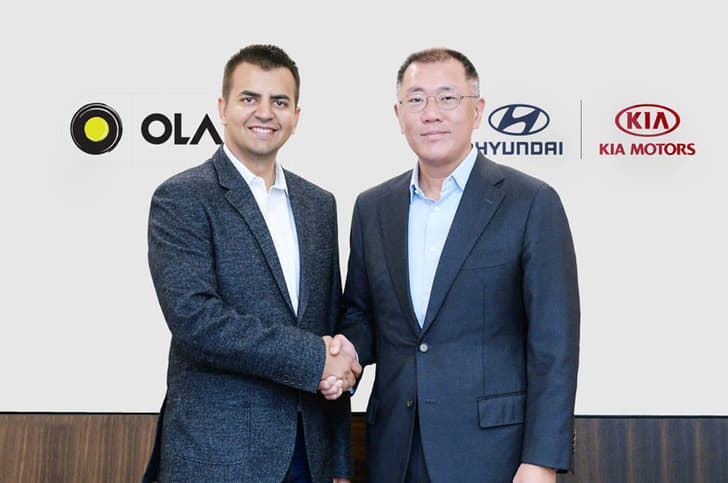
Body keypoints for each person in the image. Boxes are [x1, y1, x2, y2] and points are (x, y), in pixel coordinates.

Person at [323, 48, 580, 482]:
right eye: (416, 99)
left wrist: (542, 459)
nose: (431, 113)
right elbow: (362, 314)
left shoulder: (530, 202)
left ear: (477, 110)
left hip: (494, 453)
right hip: (396, 449)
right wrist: (345, 354)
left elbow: (554, 344)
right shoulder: (373, 208)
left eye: (447, 97)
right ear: (399, 115)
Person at [142, 44, 360, 483]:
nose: (265, 112)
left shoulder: (319, 204)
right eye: (249, 98)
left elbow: (329, 323)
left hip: (309, 456)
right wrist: (313, 358)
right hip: (217, 457)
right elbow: (196, 320)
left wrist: (338, 460)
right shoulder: (182, 197)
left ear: (296, 115)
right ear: (223, 109)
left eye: (279, 101)